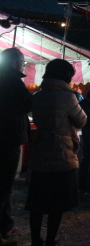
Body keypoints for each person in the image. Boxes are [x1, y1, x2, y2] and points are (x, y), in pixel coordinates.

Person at [25, 59, 87, 246]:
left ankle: (36, 239)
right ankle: (50, 240)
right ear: (66, 76)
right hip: (62, 154)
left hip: (40, 152)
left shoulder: (38, 96)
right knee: (57, 203)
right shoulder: (68, 97)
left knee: (37, 203)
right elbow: (82, 121)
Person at [0, 48, 31, 246]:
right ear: (15, 63)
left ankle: (6, 224)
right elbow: (28, 104)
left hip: (5, 137)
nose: (23, 66)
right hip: (7, 139)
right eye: (22, 62)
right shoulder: (12, 81)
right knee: (4, 185)